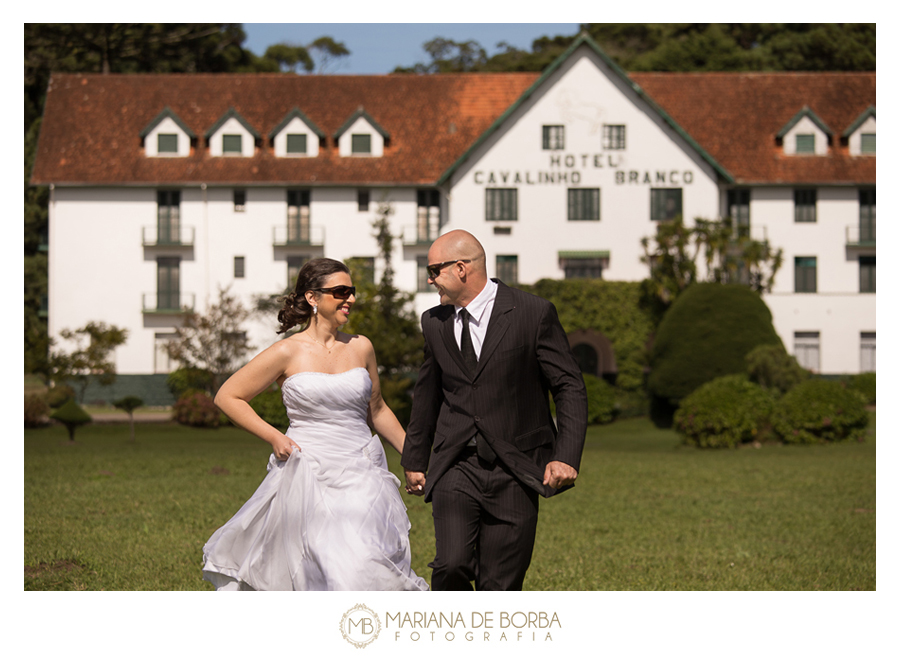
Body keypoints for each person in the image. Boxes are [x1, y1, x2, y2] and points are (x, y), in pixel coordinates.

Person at [201, 258, 428, 591]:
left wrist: (414, 458)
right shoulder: (286, 352)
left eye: (351, 292)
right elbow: (228, 396)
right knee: (318, 564)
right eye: (340, 292)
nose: (349, 299)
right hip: (307, 474)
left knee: (361, 561)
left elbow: (377, 410)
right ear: (312, 298)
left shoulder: (361, 346)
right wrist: (274, 436)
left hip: (361, 472)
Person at [401, 230, 588, 591]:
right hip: (455, 463)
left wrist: (566, 456)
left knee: (501, 585)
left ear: (461, 268)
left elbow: (569, 386)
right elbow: (427, 393)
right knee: (451, 564)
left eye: (434, 270)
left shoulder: (533, 313)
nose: (429, 279)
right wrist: (415, 458)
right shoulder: (434, 322)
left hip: (516, 466)